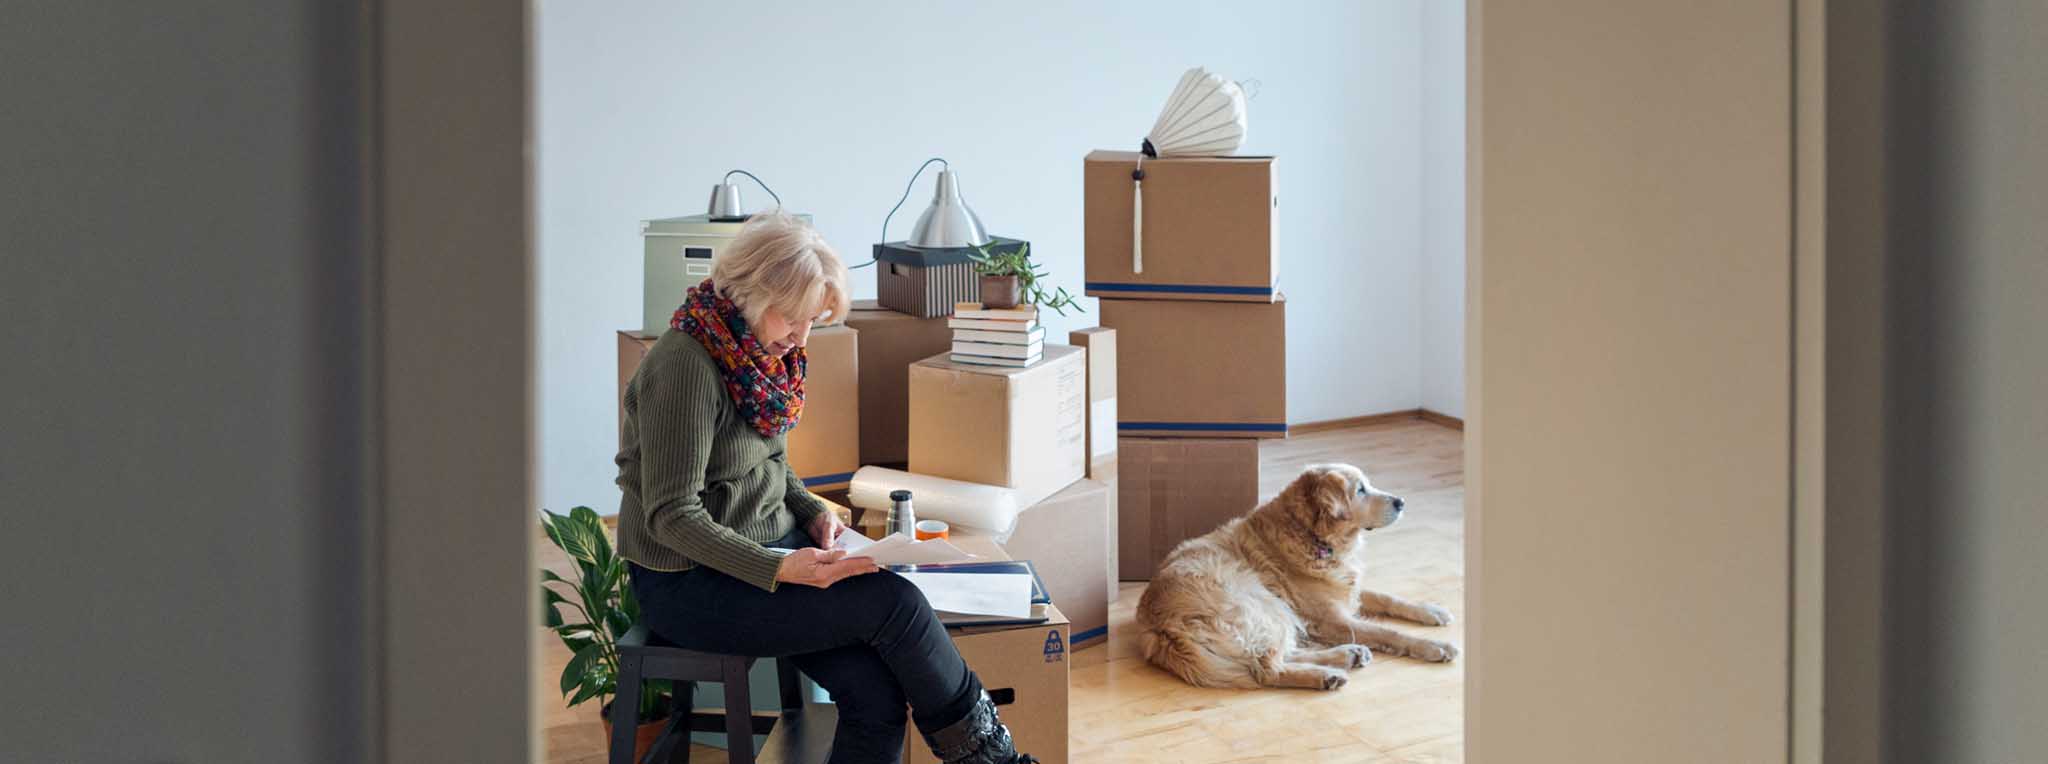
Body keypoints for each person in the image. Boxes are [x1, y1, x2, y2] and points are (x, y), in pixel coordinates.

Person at [615, 210, 1036, 764]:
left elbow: (770, 460)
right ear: (750, 291)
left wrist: (811, 510)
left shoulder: (759, 356)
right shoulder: (685, 366)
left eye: (813, 320)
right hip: (690, 583)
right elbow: (672, 515)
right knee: (899, 605)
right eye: (793, 318)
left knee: (876, 694)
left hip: (770, 553)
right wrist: (780, 569)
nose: (802, 337)